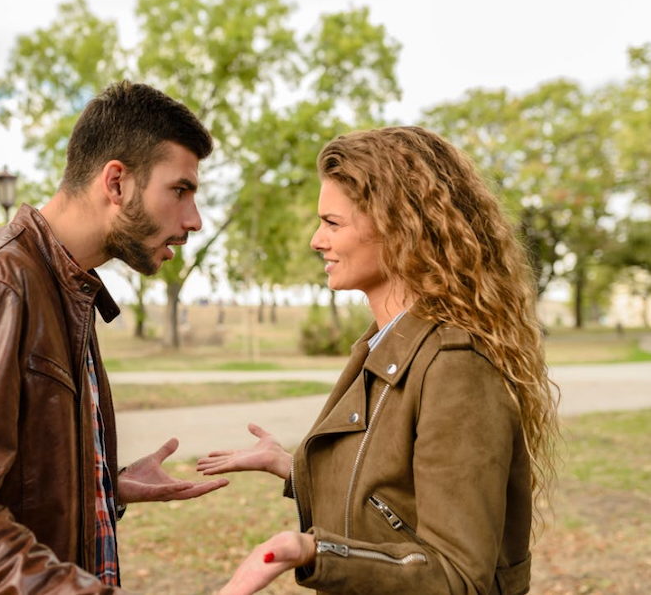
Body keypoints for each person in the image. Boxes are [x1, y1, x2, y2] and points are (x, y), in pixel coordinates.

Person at [0, 80, 228, 594]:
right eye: (180, 190)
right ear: (116, 183)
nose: (193, 220)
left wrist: (105, 487)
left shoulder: (65, 288)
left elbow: (14, 486)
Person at [200, 126, 559, 595]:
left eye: (333, 223)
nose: (315, 240)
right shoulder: (385, 344)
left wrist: (315, 552)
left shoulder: (456, 364)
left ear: (399, 227)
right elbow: (391, 499)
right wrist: (294, 469)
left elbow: (457, 576)